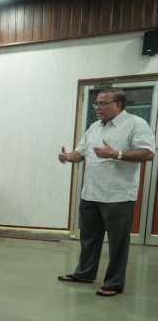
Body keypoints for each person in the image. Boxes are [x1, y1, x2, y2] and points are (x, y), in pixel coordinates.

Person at [57, 88, 155, 297]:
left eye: (103, 103)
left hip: (117, 195)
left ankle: (114, 283)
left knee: (118, 243)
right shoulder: (94, 127)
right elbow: (80, 153)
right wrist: (68, 157)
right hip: (91, 192)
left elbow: (148, 152)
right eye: (96, 104)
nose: (98, 108)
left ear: (118, 105)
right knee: (89, 237)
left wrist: (117, 154)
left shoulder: (136, 124)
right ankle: (84, 273)